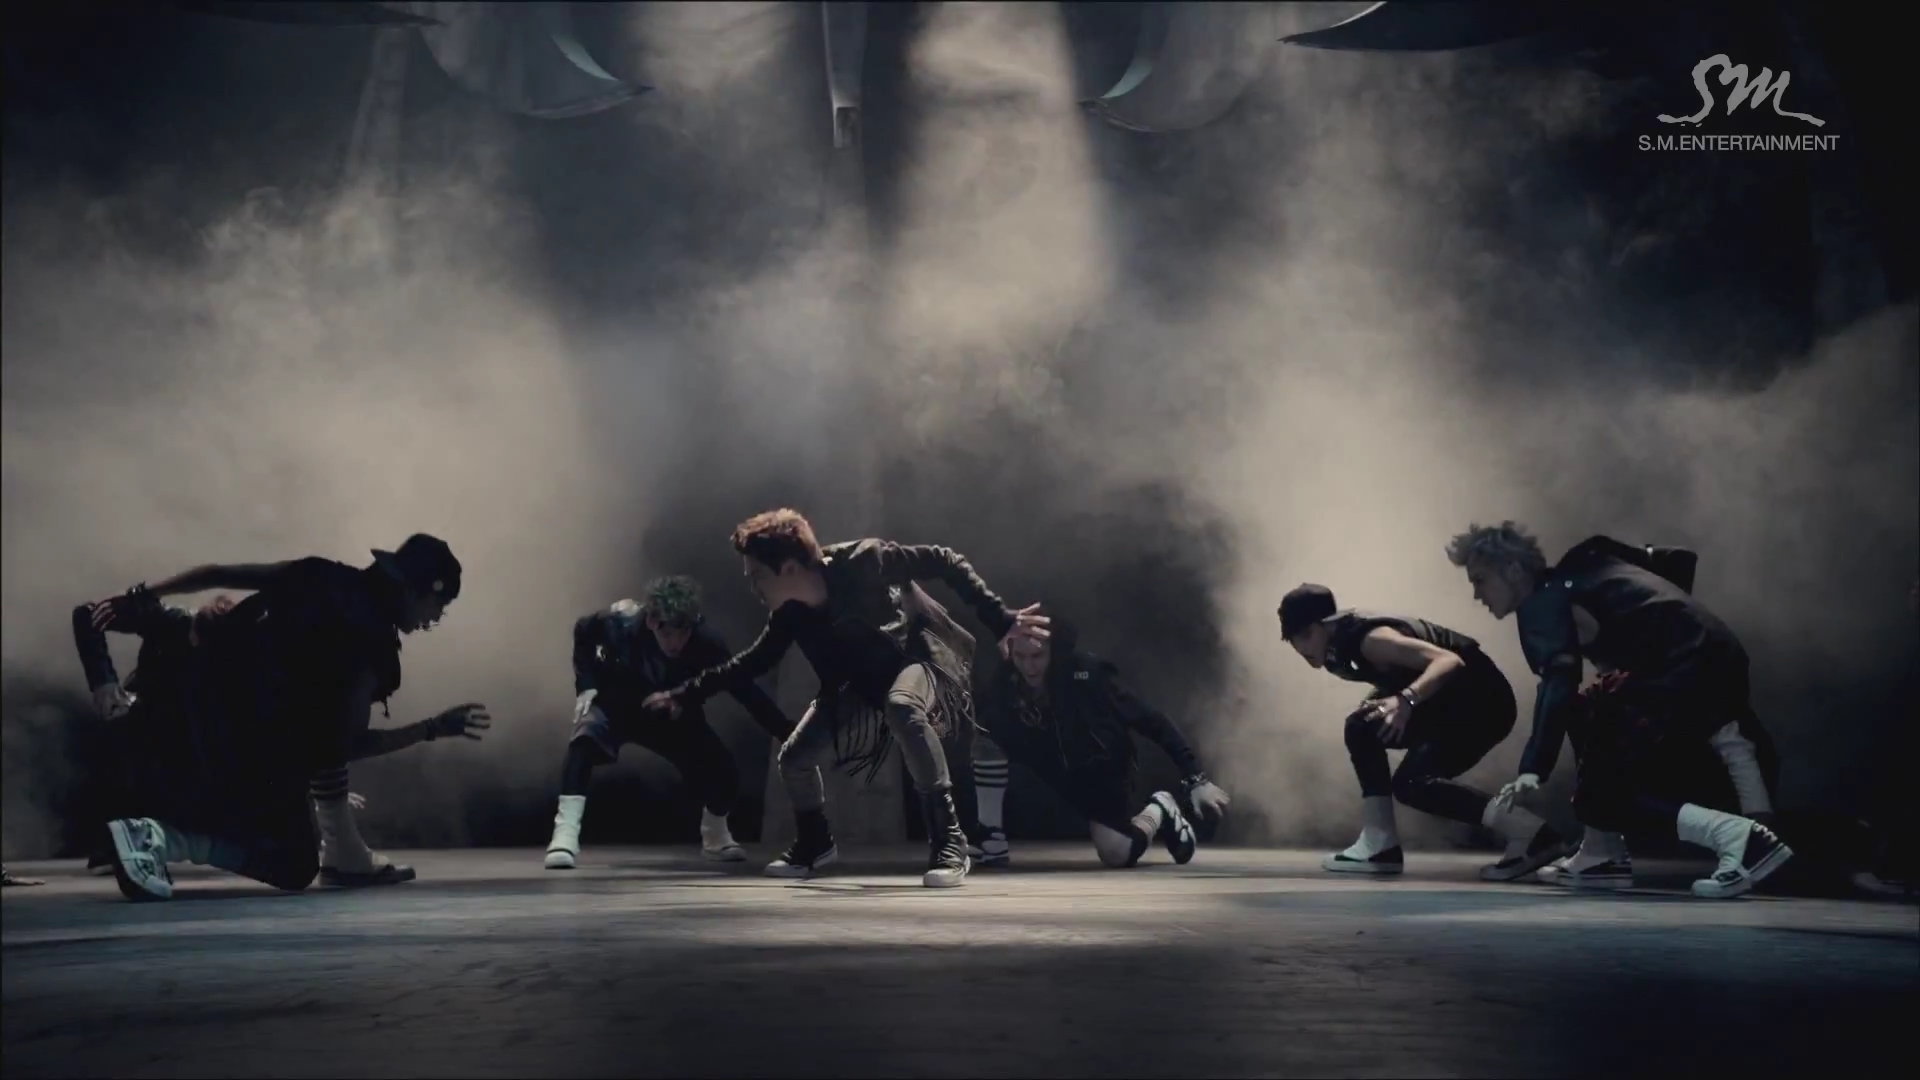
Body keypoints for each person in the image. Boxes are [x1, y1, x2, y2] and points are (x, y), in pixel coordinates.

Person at [643, 508, 1047, 888]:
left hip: (916, 660)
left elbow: (945, 560)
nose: (754, 588)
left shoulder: (864, 561)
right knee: (794, 758)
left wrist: (1000, 618)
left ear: (789, 569)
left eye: (758, 576)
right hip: (858, 683)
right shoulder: (789, 615)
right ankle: (816, 843)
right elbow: (751, 663)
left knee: (902, 705)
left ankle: (949, 840)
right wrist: (684, 694)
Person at [84, 533, 487, 901]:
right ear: (412, 591)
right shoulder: (370, 648)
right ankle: (156, 837)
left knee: (312, 734)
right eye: (438, 606)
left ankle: (342, 851)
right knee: (294, 865)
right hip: (235, 754)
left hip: (191, 711)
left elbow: (217, 573)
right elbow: (342, 746)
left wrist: (143, 593)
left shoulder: (317, 573)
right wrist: (429, 729)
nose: (434, 619)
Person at [1447, 523, 1792, 899]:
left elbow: (1557, 685)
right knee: (1591, 716)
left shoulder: (1541, 603)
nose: (1476, 594)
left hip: (1680, 667)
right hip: (1716, 650)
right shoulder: (1590, 554)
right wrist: (1661, 628)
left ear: (1514, 571)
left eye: (1480, 580)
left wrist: (1534, 767)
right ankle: (1601, 854)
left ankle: (1741, 840)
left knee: (1601, 795)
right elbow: (1676, 561)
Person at [1277, 584, 1569, 880]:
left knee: (1409, 779)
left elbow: (1449, 661)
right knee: (1364, 729)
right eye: (1292, 639)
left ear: (1329, 624)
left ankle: (1531, 833)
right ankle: (1380, 843)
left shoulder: (1371, 640)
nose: (1301, 647)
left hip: (1483, 703)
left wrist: (1406, 700)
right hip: (1452, 700)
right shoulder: (1336, 646)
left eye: (1306, 634)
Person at [544, 576, 794, 869]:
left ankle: (715, 835)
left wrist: (788, 733)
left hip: (669, 711)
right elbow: (583, 630)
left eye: (683, 631)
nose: (676, 642)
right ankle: (565, 834)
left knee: (722, 767)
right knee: (584, 738)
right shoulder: (619, 621)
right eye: (668, 632)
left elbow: (745, 691)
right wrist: (586, 685)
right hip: (615, 704)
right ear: (652, 621)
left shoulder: (706, 642)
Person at [967, 618, 1230, 870]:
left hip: (1100, 771)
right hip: (1052, 764)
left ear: (1053, 651)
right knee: (985, 732)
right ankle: (991, 839)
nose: (1029, 667)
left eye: (1037, 656)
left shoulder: (1087, 675)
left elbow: (1152, 720)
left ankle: (1160, 808)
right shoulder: (1007, 679)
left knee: (1117, 853)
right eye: (1020, 657)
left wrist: (1196, 778)